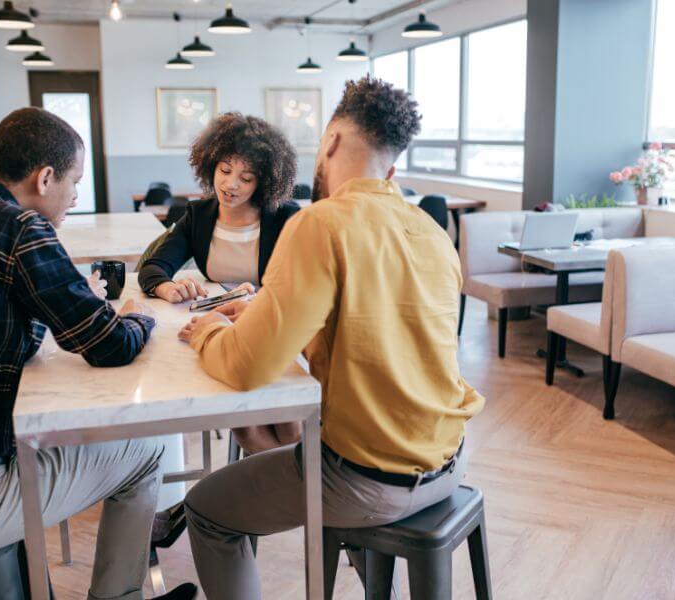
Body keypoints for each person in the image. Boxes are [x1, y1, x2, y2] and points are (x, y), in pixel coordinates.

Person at [178, 76, 486, 599]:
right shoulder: (433, 232)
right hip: (448, 462)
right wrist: (265, 310)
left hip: (367, 480)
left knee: (206, 509)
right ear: (392, 162)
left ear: (332, 141)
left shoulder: (319, 223)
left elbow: (245, 368)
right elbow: (375, 324)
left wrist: (208, 327)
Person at [0, 107, 194, 600]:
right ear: (45, 178)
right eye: (74, 181)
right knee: (146, 449)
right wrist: (137, 315)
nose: (76, 195)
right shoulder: (20, 228)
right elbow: (110, 344)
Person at [138, 112, 302, 455]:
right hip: (222, 330)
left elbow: (300, 288)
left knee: (287, 425)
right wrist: (168, 287)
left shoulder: (285, 216)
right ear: (210, 166)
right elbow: (153, 266)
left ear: (263, 182)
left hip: (278, 333)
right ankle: (278, 481)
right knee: (248, 424)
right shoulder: (199, 216)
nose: (231, 185)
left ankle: (288, 479)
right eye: (225, 171)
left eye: (246, 178)